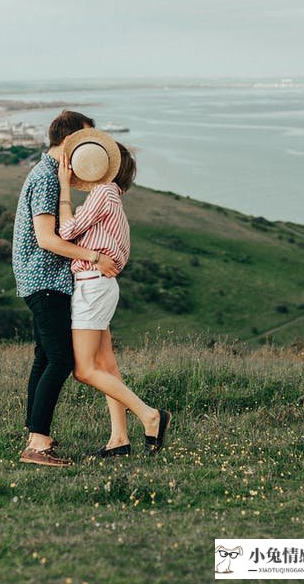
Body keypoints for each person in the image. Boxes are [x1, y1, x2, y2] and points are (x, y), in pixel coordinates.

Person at [12, 111, 119, 467]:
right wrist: (94, 257)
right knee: (60, 359)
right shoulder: (46, 178)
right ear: (71, 142)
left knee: (44, 357)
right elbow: (46, 238)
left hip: (41, 280)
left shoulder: (49, 175)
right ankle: (38, 444)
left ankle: (35, 434)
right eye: (88, 141)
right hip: (45, 279)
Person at [57, 132, 172, 457]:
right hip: (97, 284)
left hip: (92, 284)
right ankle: (119, 438)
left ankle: (150, 415)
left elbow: (65, 233)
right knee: (106, 366)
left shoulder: (104, 193)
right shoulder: (111, 198)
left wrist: (65, 187)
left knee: (84, 370)